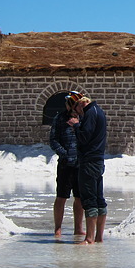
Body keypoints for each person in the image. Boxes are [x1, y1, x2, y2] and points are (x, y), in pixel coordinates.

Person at [65, 91, 108, 245]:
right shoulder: (100, 111)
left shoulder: (90, 113)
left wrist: (76, 125)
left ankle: (89, 238)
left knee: (90, 199)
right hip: (98, 160)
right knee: (99, 199)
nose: (78, 113)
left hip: (88, 161)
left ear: (82, 103)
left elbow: (84, 137)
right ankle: (98, 237)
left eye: (77, 109)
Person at [49, 96, 84, 237]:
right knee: (61, 196)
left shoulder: (84, 118)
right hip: (65, 163)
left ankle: (78, 228)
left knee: (80, 197)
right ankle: (58, 228)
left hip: (81, 163)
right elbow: (53, 139)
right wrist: (64, 153)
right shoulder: (60, 118)